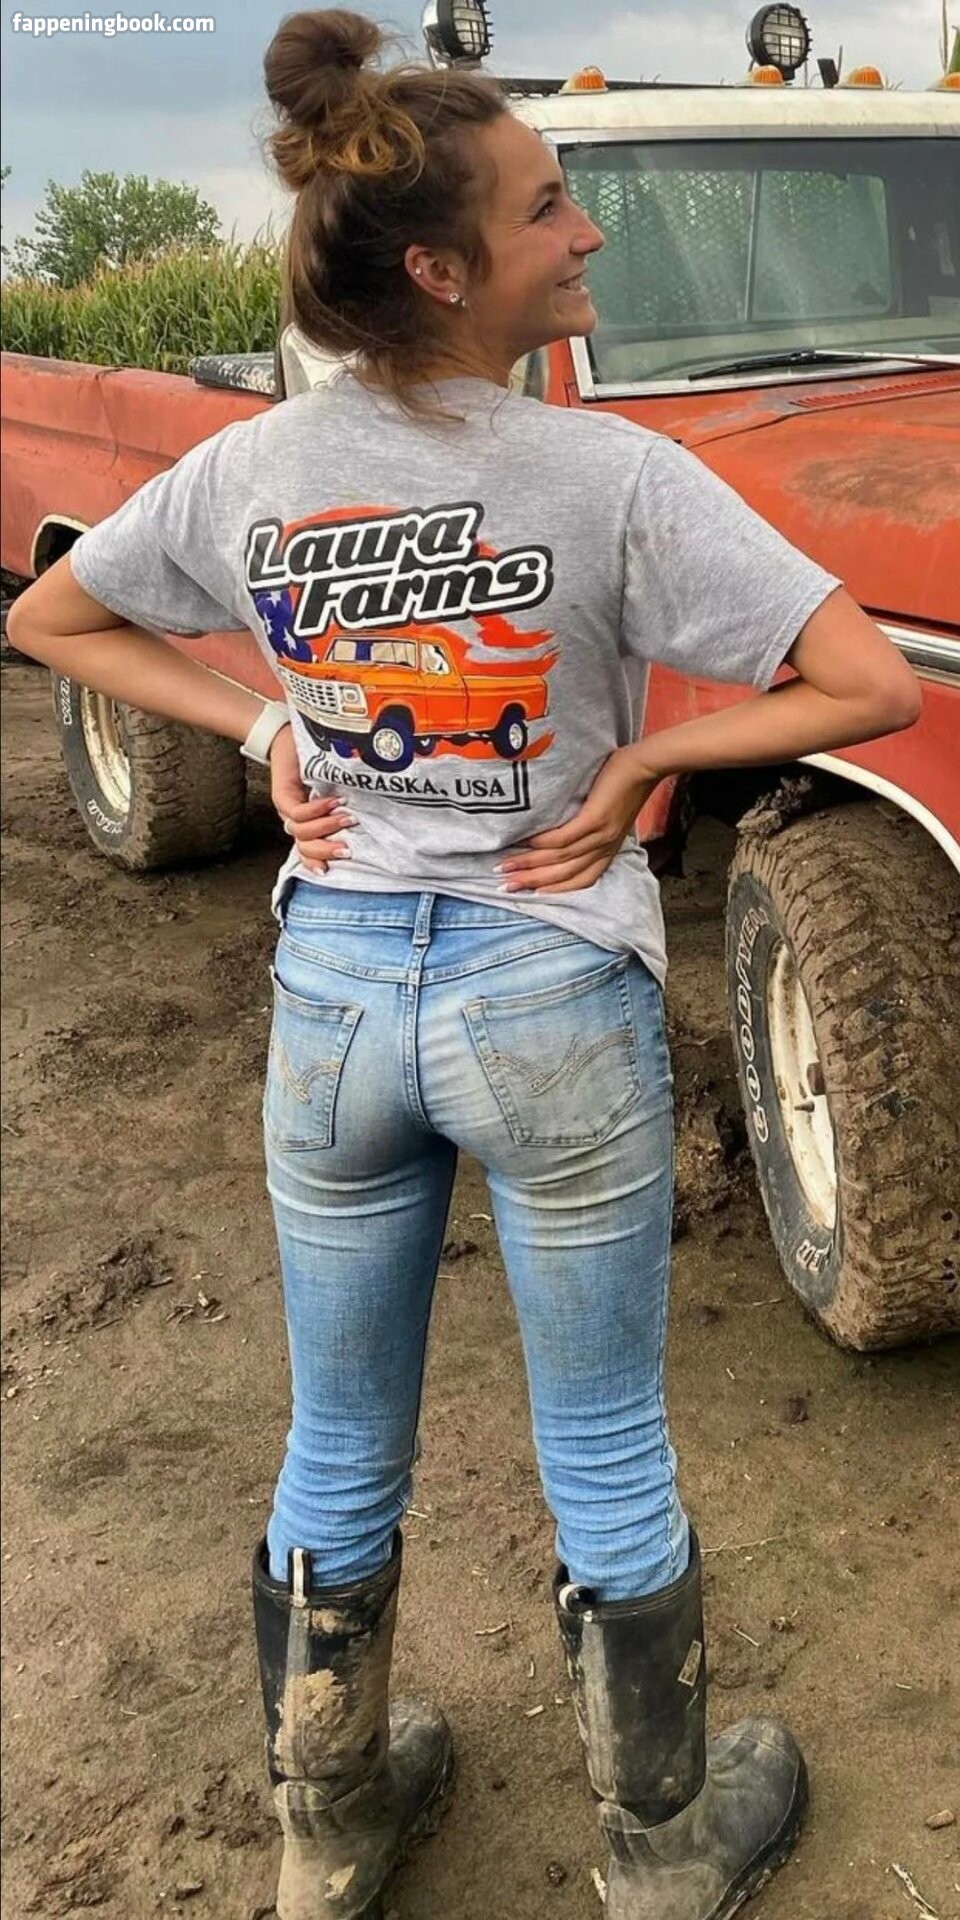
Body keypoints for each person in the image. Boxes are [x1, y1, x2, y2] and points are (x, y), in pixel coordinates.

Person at [9, 12, 922, 1920]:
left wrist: (269, 721)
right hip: (547, 993)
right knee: (602, 1440)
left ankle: (327, 1833)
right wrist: (647, 764)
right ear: (439, 269)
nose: (585, 234)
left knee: (339, 1438)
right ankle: (661, 1845)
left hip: (336, 1000)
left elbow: (53, 615)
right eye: (548, 208)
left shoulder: (253, 467)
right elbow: (871, 686)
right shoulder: (610, 474)